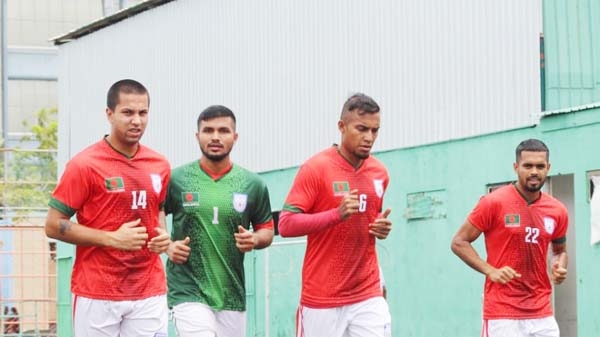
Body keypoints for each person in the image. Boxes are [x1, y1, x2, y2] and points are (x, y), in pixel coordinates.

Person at [44, 79, 171, 337]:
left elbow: (158, 209)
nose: (136, 120)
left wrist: (163, 237)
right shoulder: (84, 165)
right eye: (128, 112)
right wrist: (112, 238)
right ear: (109, 114)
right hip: (98, 290)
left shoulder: (159, 164)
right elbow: (53, 224)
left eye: (143, 113)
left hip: (148, 288)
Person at [278, 93, 392, 337]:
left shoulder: (379, 173)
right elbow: (286, 225)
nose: (369, 137)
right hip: (323, 298)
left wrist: (379, 227)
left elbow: (370, 215)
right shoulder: (316, 168)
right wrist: (335, 214)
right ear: (342, 126)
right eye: (361, 129)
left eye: (375, 130)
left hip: (367, 293)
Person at [164, 105, 274, 337]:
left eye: (223, 130)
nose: (215, 137)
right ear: (197, 136)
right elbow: (154, 212)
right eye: (208, 130)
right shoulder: (176, 179)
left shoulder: (253, 184)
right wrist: (168, 245)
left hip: (231, 294)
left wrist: (254, 239)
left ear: (235, 137)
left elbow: (267, 230)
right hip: (187, 290)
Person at [451, 138, 568, 337]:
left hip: (541, 312)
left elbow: (559, 251)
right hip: (503, 313)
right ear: (516, 167)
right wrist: (490, 270)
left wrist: (559, 265)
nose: (534, 172)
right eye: (527, 166)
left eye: (540, 166)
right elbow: (459, 242)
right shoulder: (493, 202)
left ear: (548, 168)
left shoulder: (557, 210)